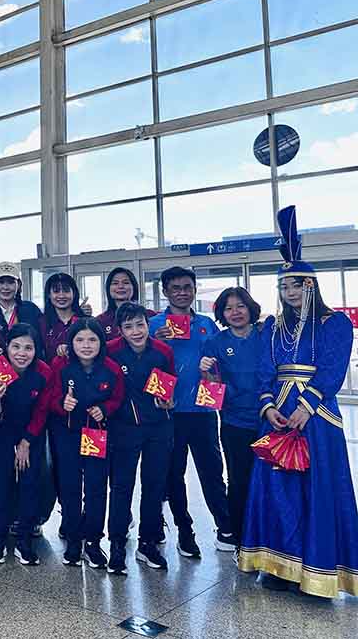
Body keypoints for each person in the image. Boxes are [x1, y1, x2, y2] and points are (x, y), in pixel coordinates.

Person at [239, 206, 358, 598]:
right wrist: (269, 406)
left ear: (311, 285)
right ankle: (278, 566)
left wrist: (304, 408)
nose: (289, 293)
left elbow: (331, 369)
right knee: (275, 490)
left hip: (317, 416)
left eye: (296, 285)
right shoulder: (272, 326)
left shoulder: (335, 323)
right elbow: (264, 370)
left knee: (317, 489)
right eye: (283, 287)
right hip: (276, 417)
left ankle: (318, 570)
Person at [148, 267, 234, 557]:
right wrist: (154, 342)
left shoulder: (208, 324)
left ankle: (225, 527)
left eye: (187, 287)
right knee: (174, 474)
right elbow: (145, 365)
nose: (182, 292)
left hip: (203, 410)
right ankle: (184, 530)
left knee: (212, 470)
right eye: (176, 288)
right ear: (165, 292)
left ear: (195, 290)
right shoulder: (154, 325)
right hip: (169, 413)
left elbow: (221, 364)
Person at [47, 318, 124, 568]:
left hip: (97, 435)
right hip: (67, 434)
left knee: (96, 487)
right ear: (71, 342)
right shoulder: (60, 365)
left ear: (102, 343)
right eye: (80, 340)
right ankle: (72, 538)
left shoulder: (111, 368)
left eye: (92, 340)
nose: (86, 345)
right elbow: (50, 397)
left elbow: (118, 398)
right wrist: (62, 404)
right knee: (69, 487)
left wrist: (105, 408)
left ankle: (92, 540)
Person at [105, 303, 175, 575]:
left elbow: (169, 384)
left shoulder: (163, 351)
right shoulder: (110, 351)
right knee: (121, 487)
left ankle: (148, 542)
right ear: (121, 330)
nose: (136, 332)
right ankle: (117, 543)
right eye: (129, 326)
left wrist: (168, 400)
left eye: (140, 325)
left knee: (154, 485)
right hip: (123, 428)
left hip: (158, 426)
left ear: (148, 325)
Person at [200, 287, 263, 547]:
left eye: (240, 306)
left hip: (269, 419)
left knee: (271, 479)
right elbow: (211, 390)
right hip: (234, 422)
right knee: (239, 479)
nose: (235, 312)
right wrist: (205, 373)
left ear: (250, 308)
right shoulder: (215, 342)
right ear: (221, 313)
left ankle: (271, 537)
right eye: (228, 308)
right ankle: (240, 537)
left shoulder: (266, 335)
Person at [0, 323, 51, 565]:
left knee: (29, 482)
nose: (21, 353)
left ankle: (25, 538)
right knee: (0, 482)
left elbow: (43, 410)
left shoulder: (44, 372)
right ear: (7, 347)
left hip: (31, 433)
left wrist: (27, 441)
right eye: (15, 347)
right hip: (2, 431)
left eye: (28, 347)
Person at [0, 262, 43, 344]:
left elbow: (40, 342)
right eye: (0, 282)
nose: (5, 287)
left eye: (11, 282)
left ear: (19, 284)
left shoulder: (31, 309)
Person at [97, 267, 153, 341]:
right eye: (115, 283)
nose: (120, 286)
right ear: (108, 289)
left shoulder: (151, 316)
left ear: (134, 287)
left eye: (126, 283)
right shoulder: (100, 321)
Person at [41, 273, 86, 361]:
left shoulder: (86, 321)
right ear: (49, 295)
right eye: (56, 291)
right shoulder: (41, 323)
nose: (61, 295)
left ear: (74, 293)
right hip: (50, 373)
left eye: (66, 291)